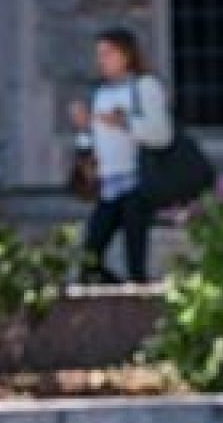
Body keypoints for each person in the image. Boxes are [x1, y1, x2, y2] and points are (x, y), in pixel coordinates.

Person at [69, 25, 172, 283]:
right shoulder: (101, 93)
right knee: (89, 259)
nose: (101, 61)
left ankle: (139, 313)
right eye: (99, 55)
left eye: (107, 53)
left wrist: (124, 122)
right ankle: (115, 300)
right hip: (109, 185)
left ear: (126, 55)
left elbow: (162, 135)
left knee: (135, 262)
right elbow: (92, 142)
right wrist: (83, 130)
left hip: (137, 184)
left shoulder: (144, 87)